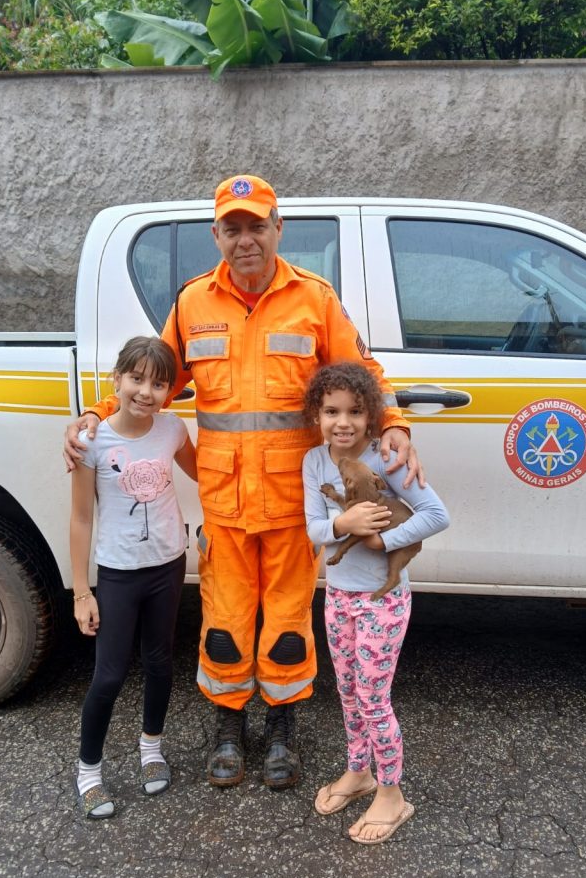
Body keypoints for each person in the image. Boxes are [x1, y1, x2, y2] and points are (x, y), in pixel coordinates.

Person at [64, 174, 422, 792]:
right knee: (226, 622)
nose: (245, 239)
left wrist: (392, 423)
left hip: (294, 503)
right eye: (233, 228)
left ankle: (281, 730)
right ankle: (229, 729)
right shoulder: (193, 303)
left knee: (286, 622)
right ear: (217, 236)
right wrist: (97, 412)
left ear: (278, 229)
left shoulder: (314, 300)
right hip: (224, 503)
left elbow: (360, 371)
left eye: (257, 225)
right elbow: (151, 379)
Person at [302, 363, 449, 843]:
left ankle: (392, 794)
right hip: (339, 597)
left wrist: (384, 543)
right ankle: (358, 771)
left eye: (355, 412)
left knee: (373, 697)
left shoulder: (385, 460)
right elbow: (314, 530)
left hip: (382, 604)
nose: (342, 422)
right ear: (317, 414)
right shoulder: (313, 463)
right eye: (331, 411)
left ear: (372, 417)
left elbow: (436, 514)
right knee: (346, 691)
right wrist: (344, 526)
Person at [70, 335, 197, 819]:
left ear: (170, 391)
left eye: (159, 384)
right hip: (119, 573)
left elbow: (208, 473)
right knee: (109, 674)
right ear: (116, 380)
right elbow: (81, 518)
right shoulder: (91, 441)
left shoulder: (172, 431)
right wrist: (82, 591)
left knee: (161, 662)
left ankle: (151, 748)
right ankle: (89, 772)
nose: (146, 392)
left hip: (168, 564)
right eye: (137, 379)